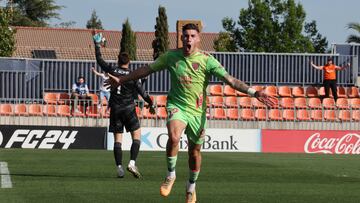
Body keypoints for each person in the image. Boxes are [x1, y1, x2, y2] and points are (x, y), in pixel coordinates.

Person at [106, 23, 277, 202]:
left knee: (194, 153)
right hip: (176, 106)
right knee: (174, 137)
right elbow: (146, 70)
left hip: (197, 111)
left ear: (198, 38)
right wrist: (122, 79)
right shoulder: (171, 56)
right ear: (181, 38)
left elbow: (231, 80)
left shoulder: (206, 60)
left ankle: (191, 186)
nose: (189, 39)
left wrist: (254, 92)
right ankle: (170, 175)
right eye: (186, 36)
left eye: (192, 36)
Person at [93, 33, 155, 179]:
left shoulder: (112, 70)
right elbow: (143, 93)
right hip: (128, 108)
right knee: (137, 136)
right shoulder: (132, 75)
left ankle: (119, 168)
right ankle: (132, 162)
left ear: (118, 61)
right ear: (129, 62)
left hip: (115, 108)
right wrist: (151, 104)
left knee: (117, 139)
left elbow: (99, 60)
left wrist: (97, 46)